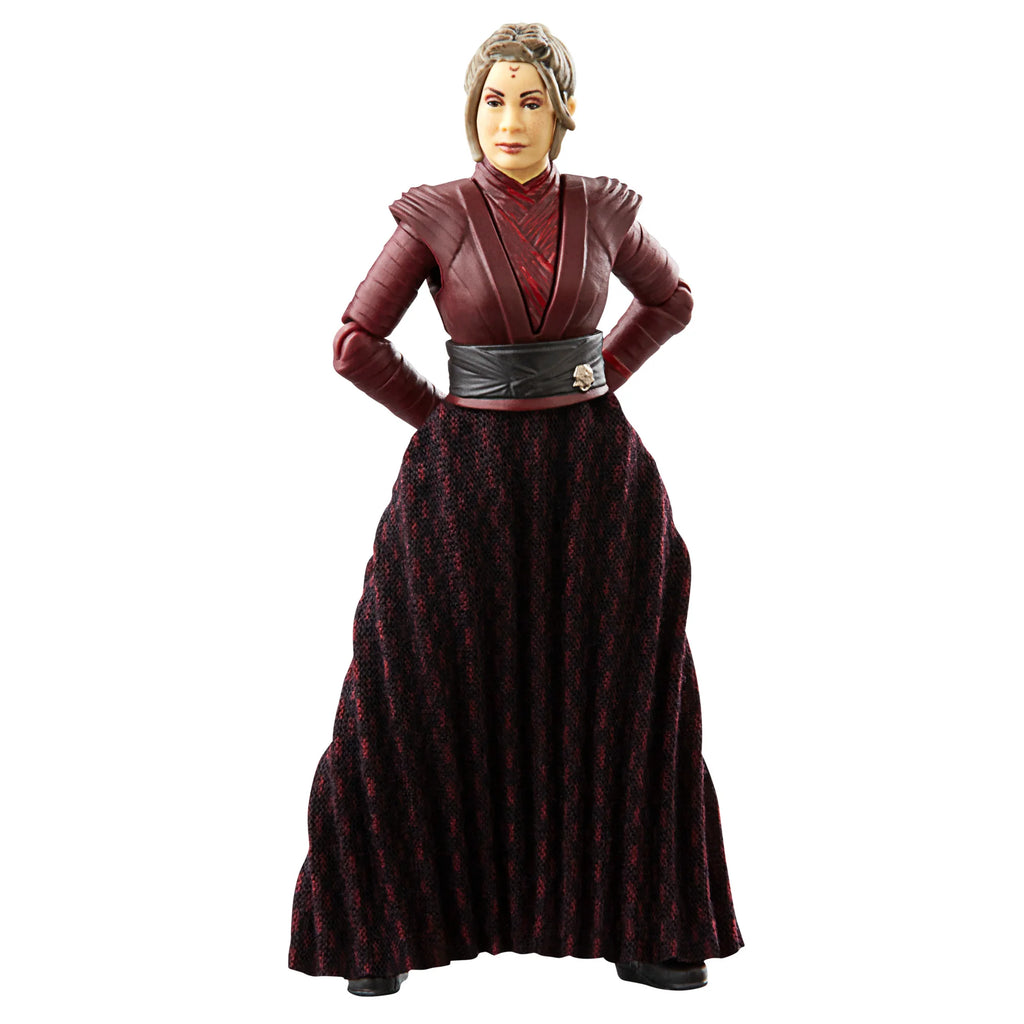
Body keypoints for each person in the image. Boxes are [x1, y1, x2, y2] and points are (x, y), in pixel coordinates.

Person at [288, 23, 743, 997]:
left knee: (619, 691)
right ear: (471, 109)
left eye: (531, 100)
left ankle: (643, 925)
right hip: (465, 483)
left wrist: (591, 375)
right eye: (493, 99)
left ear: (563, 111)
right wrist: (447, 421)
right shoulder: (436, 213)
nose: (509, 120)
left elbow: (671, 301)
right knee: (411, 686)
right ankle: (387, 929)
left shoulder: (603, 209)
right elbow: (356, 342)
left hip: (595, 479)